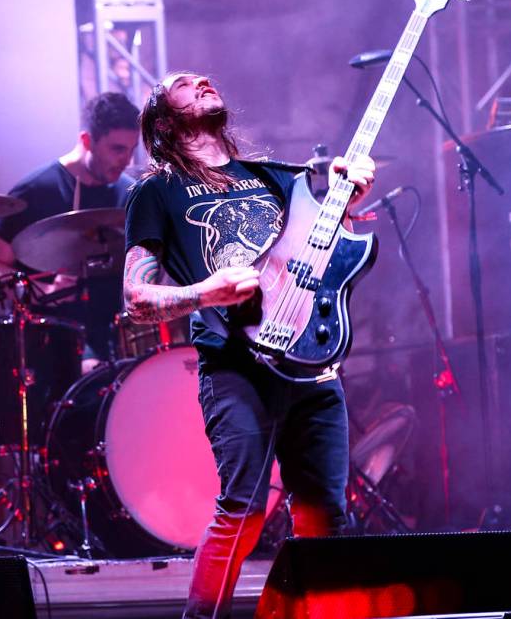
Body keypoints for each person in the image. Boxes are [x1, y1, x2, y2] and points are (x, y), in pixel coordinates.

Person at [123, 72, 375, 618]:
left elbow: (323, 237)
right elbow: (136, 296)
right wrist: (203, 292)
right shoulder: (157, 191)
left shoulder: (274, 176)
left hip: (311, 364)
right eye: (184, 84)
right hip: (234, 364)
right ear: (166, 120)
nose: (202, 80)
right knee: (243, 508)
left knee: (325, 514)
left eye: (203, 78)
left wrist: (344, 192)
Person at [0, 91, 140, 373]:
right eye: (117, 149)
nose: (126, 160)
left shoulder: (127, 193)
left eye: (132, 149)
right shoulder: (38, 191)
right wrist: (40, 291)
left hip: (117, 336)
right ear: (87, 141)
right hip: (52, 342)